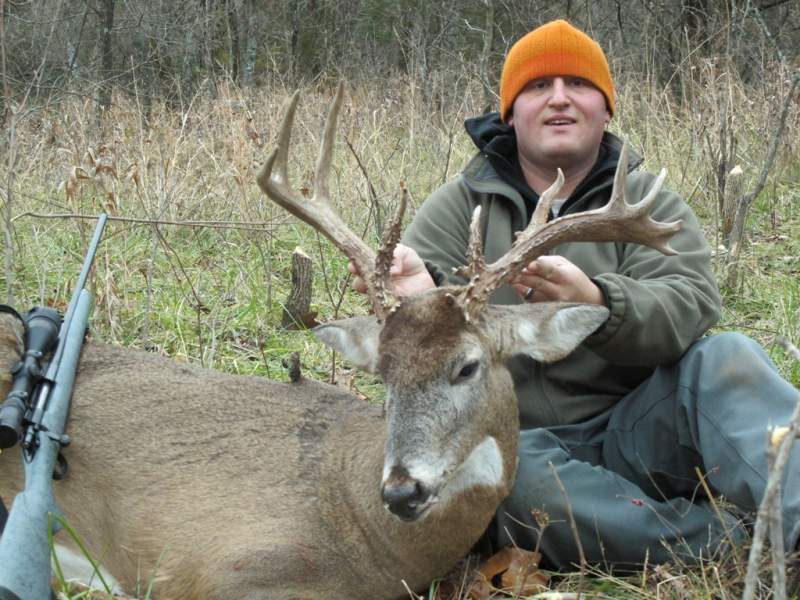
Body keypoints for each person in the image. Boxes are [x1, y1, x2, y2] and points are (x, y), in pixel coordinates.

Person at [353, 19, 800, 568]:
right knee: (504, 473)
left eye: (579, 85)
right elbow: (419, 367)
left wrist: (598, 302)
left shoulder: (642, 203)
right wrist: (419, 301)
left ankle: (794, 515)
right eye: (538, 87)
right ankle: (727, 545)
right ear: (509, 112)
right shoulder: (457, 207)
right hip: (531, 445)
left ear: (606, 108)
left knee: (727, 358)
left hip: (640, 425)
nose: (559, 99)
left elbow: (690, 303)